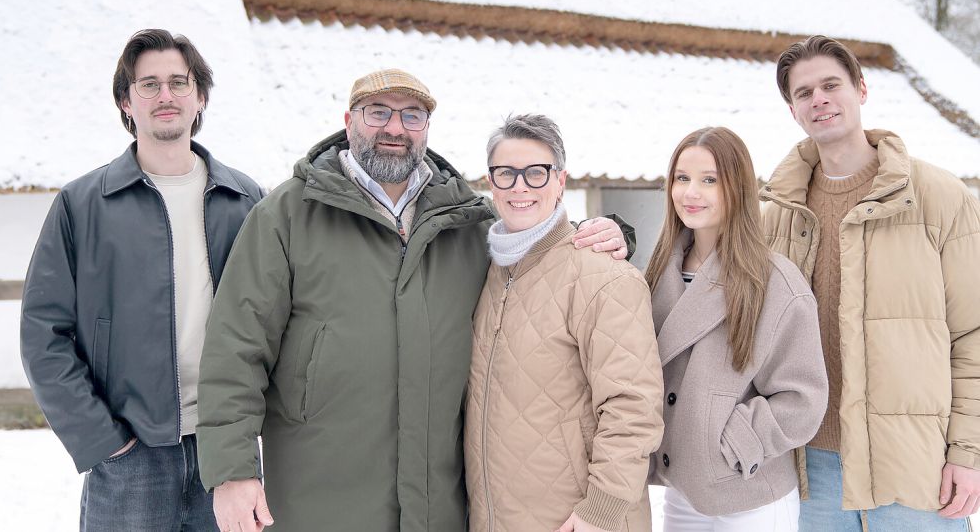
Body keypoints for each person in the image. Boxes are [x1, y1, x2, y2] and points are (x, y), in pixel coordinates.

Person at [195, 69, 631, 531]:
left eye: (412, 115)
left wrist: (608, 233)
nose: (395, 128)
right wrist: (232, 471)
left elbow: (538, 254)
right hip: (318, 494)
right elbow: (235, 348)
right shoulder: (286, 216)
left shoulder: (466, 222)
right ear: (349, 121)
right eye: (378, 112)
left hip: (437, 502)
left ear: (427, 127)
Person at [19, 29, 263, 531]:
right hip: (128, 456)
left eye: (179, 81)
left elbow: (278, 322)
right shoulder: (82, 205)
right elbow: (43, 334)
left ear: (200, 96)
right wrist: (104, 441)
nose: (166, 95)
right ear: (127, 102)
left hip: (227, 453)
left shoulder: (247, 201)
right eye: (148, 84)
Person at [763, 35, 980, 530]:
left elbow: (974, 334)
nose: (818, 99)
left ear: (862, 89)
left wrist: (968, 452)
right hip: (810, 472)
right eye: (803, 93)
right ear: (793, 110)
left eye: (831, 85)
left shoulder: (940, 198)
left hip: (915, 470)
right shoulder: (775, 216)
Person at [465, 114, 664, 532]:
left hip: (577, 520)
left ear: (560, 181)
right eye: (506, 173)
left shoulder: (604, 277)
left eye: (536, 173)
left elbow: (633, 407)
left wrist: (601, 511)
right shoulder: (486, 272)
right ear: (491, 183)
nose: (520, 187)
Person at [646, 127, 828, 531]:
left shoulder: (775, 281)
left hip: (751, 491)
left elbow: (803, 398)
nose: (691, 193)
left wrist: (732, 442)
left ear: (738, 186)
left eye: (709, 180)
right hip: (683, 491)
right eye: (682, 178)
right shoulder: (659, 272)